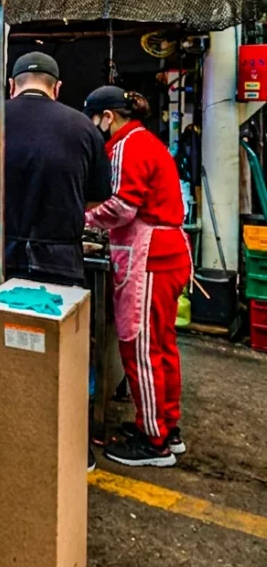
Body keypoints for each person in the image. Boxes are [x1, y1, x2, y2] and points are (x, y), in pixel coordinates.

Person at [83, 86, 190, 468]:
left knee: (140, 347)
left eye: (95, 121)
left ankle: (153, 441)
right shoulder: (145, 142)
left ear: (107, 117)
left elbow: (124, 207)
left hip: (150, 256)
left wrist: (84, 219)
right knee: (161, 345)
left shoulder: (129, 146)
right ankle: (166, 425)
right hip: (164, 252)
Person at [0, 51, 112, 286]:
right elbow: (97, 198)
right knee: (46, 323)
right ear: (57, 87)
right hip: (57, 263)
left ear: (11, 85)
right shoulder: (85, 128)